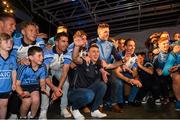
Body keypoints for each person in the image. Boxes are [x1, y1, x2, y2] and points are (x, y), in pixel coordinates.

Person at [68, 34, 108, 120]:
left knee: (102, 85)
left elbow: (100, 65)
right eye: (93, 51)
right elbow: (75, 58)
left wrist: (103, 71)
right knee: (90, 94)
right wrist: (77, 46)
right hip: (75, 92)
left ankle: (94, 110)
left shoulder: (97, 65)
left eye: (97, 52)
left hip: (87, 91)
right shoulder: (83, 61)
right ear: (88, 53)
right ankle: (74, 108)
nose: (96, 54)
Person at [41, 32, 71, 118]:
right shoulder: (47, 52)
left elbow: (65, 72)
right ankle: (43, 110)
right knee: (46, 86)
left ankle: (63, 108)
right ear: (56, 42)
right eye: (63, 41)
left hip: (59, 69)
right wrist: (54, 88)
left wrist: (58, 89)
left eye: (67, 41)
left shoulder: (67, 53)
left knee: (66, 84)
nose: (66, 44)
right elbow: (44, 74)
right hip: (48, 70)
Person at [16, 46, 48, 119]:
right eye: (39, 56)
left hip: (34, 85)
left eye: (42, 55)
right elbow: (17, 84)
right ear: (30, 57)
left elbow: (42, 81)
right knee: (27, 101)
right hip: (22, 86)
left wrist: (43, 87)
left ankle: (32, 117)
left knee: (36, 100)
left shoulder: (43, 66)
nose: (42, 58)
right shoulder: (23, 67)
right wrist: (22, 93)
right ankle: (22, 117)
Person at [114, 39, 142, 106]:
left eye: (134, 46)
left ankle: (131, 100)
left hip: (126, 73)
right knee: (119, 83)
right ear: (125, 47)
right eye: (130, 46)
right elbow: (116, 70)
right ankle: (120, 102)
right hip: (116, 73)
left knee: (138, 80)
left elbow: (134, 72)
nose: (133, 48)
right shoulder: (119, 55)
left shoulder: (135, 57)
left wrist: (137, 68)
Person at [0, 33, 17, 119]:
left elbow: (13, 71)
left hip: (6, 88)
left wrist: (14, 83)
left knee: (4, 105)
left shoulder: (12, 58)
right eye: (6, 41)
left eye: (11, 42)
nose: (9, 44)